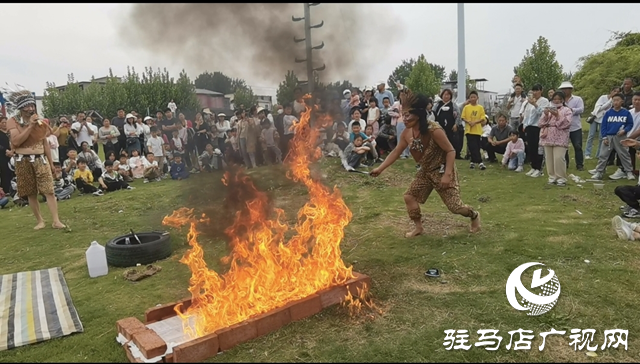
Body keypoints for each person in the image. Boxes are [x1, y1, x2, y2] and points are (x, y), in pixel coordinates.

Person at [370, 88, 481, 237]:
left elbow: (451, 151)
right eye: (404, 115)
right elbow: (396, 152)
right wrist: (380, 168)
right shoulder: (406, 133)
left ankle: (474, 215)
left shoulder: (434, 130)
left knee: (455, 207)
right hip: (426, 171)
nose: (406, 118)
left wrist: (447, 174)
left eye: (408, 115)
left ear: (419, 114)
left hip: (442, 170)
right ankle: (418, 227)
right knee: (409, 196)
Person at [2, 88, 66, 229]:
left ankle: (56, 220)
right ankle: (40, 221)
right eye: (27, 106)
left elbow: (45, 144)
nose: (31, 108)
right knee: (31, 192)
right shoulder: (13, 122)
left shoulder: (41, 122)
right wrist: (30, 125)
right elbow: (16, 141)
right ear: (20, 108)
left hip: (40, 159)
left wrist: (51, 164)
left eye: (32, 106)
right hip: (22, 160)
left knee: (49, 190)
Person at [590, 93, 635, 181]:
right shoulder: (608, 113)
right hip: (609, 136)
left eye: (617, 100)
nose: (615, 102)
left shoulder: (626, 112)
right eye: (614, 100)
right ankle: (599, 171)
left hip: (620, 137)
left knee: (624, 154)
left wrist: (625, 130)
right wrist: (604, 137)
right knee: (603, 155)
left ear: (622, 101)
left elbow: (630, 124)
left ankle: (628, 171)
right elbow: (604, 126)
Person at [539, 91, 573, 186]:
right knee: (549, 158)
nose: (557, 101)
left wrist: (557, 115)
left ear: (562, 100)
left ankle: (561, 178)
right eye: (555, 99)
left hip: (560, 136)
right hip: (548, 136)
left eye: (559, 99)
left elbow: (567, 123)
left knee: (559, 157)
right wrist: (546, 115)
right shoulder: (548, 110)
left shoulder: (567, 110)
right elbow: (540, 123)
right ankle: (552, 177)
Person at [520, 84, 549, 178]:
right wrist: (524, 125)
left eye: (537, 90)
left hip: (538, 127)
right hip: (529, 126)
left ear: (541, 91)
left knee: (538, 148)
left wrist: (535, 105)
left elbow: (543, 114)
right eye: (533, 91)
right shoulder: (529, 102)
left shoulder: (544, 101)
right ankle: (533, 166)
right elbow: (527, 114)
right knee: (531, 147)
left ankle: (539, 168)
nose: (535, 93)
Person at [585, 86, 619, 160]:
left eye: (618, 92)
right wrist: (610, 100)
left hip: (603, 120)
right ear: (611, 91)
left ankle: (599, 154)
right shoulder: (603, 97)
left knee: (601, 137)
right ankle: (587, 153)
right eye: (615, 91)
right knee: (591, 136)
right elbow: (599, 108)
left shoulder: (615, 101)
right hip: (595, 118)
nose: (616, 93)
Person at [558, 81, 585, 171]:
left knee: (577, 146)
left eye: (566, 89)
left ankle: (580, 164)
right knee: (563, 147)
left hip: (575, 126)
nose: (564, 91)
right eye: (562, 89)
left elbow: (581, 109)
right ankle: (565, 164)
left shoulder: (577, 99)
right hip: (563, 127)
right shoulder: (559, 100)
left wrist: (571, 110)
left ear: (570, 90)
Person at [461, 91, 487, 170]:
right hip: (469, 130)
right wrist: (468, 122)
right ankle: (480, 162)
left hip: (477, 130)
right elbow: (463, 117)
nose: (472, 99)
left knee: (477, 146)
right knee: (472, 146)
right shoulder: (466, 107)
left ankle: (472, 161)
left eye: (474, 97)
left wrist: (475, 122)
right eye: (471, 97)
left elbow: (483, 118)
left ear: (477, 98)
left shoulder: (480, 107)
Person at [0, 116, 15, 194]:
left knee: (13, 171)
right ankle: (6, 189)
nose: (5, 124)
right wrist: (5, 150)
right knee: (5, 171)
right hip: (3, 155)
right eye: (3, 122)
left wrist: (12, 151)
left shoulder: (10, 132)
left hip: (12, 154)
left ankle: (14, 188)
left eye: (6, 122)